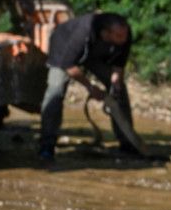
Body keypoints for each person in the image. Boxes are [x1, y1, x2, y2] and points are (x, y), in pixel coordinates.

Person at [38, 12, 145, 159]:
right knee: (55, 91)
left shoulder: (124, 33)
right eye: (119, 36)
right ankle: (47, 144)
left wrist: (115, 84)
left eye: (125, 35)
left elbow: (119, 65)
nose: (124, 39)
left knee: (120, 90)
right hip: (64, 50)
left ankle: (128, 141)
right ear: (106, 33)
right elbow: (69, 66)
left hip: (94, 54)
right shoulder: (82, 32)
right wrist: (90, 87)